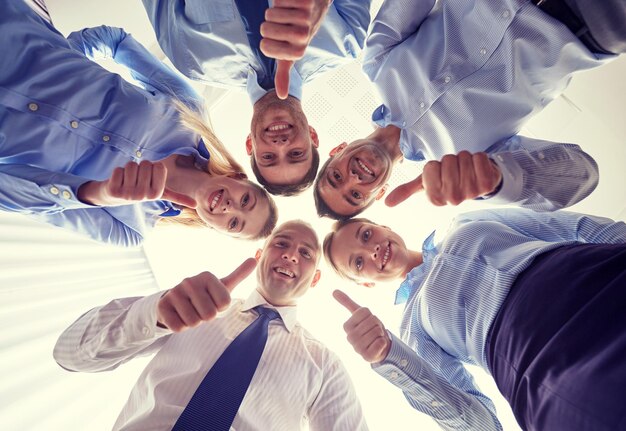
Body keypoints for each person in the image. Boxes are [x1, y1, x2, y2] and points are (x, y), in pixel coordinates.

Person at [314, 0, 626, 219]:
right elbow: (582, 174)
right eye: (355, 195)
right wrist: (498, 181)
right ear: (378, 194)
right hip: (592, 25)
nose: (352, 178)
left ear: (337, 150)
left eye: (336, 176)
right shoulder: (468, 168)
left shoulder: (377, 62)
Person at [0, 0, 277, 246]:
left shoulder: (129, 229)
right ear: (240, 178)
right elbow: (116, 42)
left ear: (214, 229)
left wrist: (95, 193)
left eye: (234, 223)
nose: (231, 208)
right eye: (246, 201)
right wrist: (61, 59)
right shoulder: (191, 111)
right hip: (14, 31)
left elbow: (15, 197)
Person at [324, 209, 626, 430]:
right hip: (544, 363)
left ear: (382, 225)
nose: (371, 248)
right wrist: (389, 357)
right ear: (365, 283)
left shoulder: (465, 222)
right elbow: (482, 425)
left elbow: (571, 226)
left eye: (365, 234)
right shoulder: (411, 329)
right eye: (359, 262)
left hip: (595, 274)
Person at [54, 220, 369, 430]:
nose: (290, 257)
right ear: (260, 255)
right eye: (281, 244)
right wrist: (154, 314)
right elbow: (69, 354)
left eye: (305, 253)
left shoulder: (325, 365)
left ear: (314, 278)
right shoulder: (189, 306)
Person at [140, 0, 371, 195]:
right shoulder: (346, 42)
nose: (281, 145)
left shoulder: (194, 62)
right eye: (296, 154)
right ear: (312, 136)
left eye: (269, 157)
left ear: (251, 143)